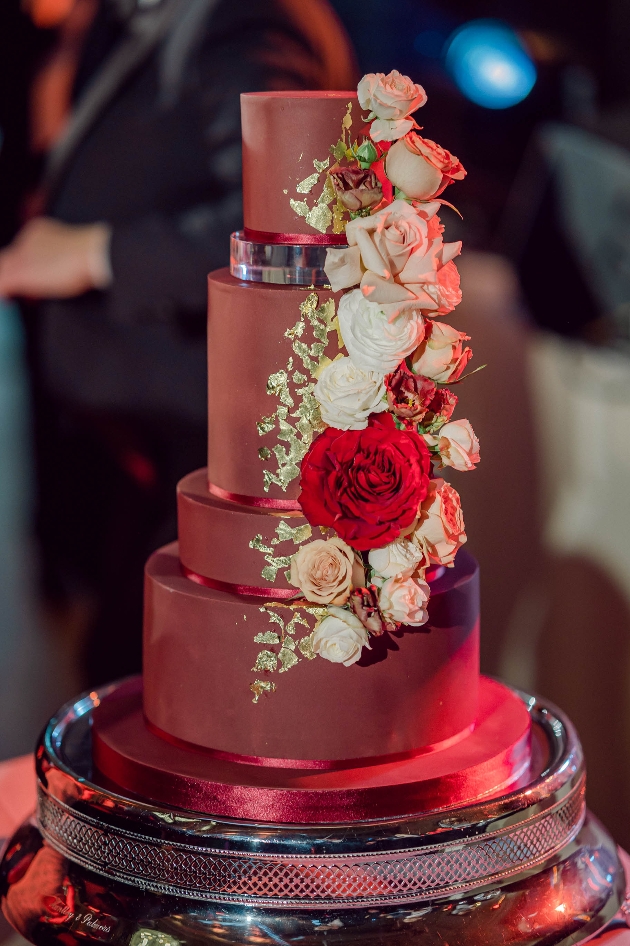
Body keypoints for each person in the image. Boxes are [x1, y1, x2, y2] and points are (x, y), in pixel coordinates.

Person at [0, 0, 357, 687]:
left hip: (220, 445)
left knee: (164, 682)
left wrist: (97, 253)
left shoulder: (255, 18)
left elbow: (294, 219)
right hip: (158, 438)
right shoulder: (145, 16)